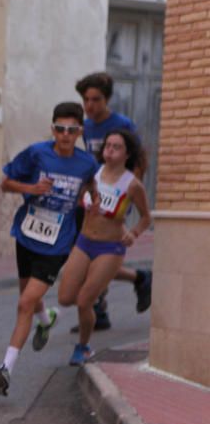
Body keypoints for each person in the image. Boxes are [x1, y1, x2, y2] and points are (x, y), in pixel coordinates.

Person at [0, 102, 99, 396]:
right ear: (53, 129)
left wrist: (91, 199)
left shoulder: (87, 163)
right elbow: (6, 184)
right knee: (28, 298)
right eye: (60, 129)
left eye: (71, 130)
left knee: (25, 302)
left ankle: (6, 369)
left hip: (58, 243)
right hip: (27, 235)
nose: (65, 135)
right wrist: (31, 189)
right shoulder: (37, 153)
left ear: (79, 132)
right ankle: (45, 320)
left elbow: (90, 186)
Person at [57, 129, 151, 364]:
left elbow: (146, 217)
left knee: (84, 301)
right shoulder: (93, 173)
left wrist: (134, 233)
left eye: (116, 147)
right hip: (84, 242)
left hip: (110, 248)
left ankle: (84, 346)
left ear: (127, 154)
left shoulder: (132, 185)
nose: (109, 150)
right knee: (65, 297)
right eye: (108, 145)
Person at [75, 72, 153, 326]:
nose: (90, 106)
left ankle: (98, 309)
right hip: (93, 196)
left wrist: (129, 194)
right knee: (89, 253)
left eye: (96, 99)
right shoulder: (85, 128)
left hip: (117, 197)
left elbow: (139, 160)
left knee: (101, 253)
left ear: (106, 100)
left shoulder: (122, 125)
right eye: (86, 99)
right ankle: (138, 279)